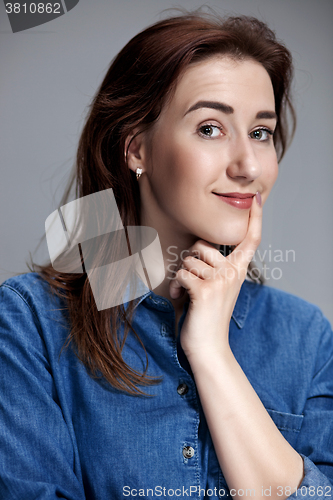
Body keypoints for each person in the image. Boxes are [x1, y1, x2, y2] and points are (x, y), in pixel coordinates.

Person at [0, 11, 332, 500]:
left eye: (261, 132)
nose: (246, 165)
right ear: (137, 150)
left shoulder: (305, 336)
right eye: (211, 129)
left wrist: (212, 353)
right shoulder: (29, 321)